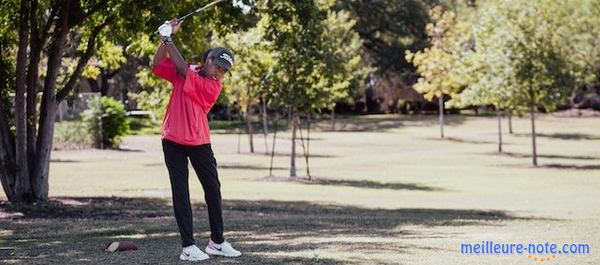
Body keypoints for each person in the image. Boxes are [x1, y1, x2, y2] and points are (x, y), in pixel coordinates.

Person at [152, 19, 241, 261]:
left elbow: (181, 68)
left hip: (200, 141)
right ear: (209, 60)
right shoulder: (188, 68)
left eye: (224, 71)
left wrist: (170, 39)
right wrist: (164, 39)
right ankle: (188, 247)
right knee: (181, 191)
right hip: (173, 139)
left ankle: (217, 242)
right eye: (218, 67)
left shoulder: (213, 86)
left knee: (213, 189)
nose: (220, 73)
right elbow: (157, 63)